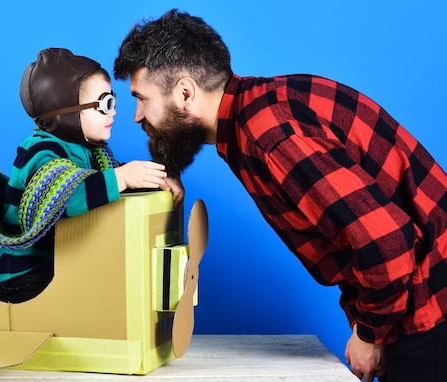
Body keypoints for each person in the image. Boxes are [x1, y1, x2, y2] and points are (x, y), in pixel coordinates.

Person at [113, 9, 447, 382]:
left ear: (185, 92)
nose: (137, 116)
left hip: (430, 305)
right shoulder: (261, 106)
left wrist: (370, 335)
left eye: (141, 98)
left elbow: (387, 242)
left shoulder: (268, 135)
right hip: (411, 302)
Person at [0, 47, 168, 304]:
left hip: (55, 266)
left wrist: (154, 177)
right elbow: (65, 198)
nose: (113, 112)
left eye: (113, 101)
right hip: (21, 276)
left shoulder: (88, 151)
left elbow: (102, 181)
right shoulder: (41, 151)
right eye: (105, 104)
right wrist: (123, 178)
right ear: (68, 111)